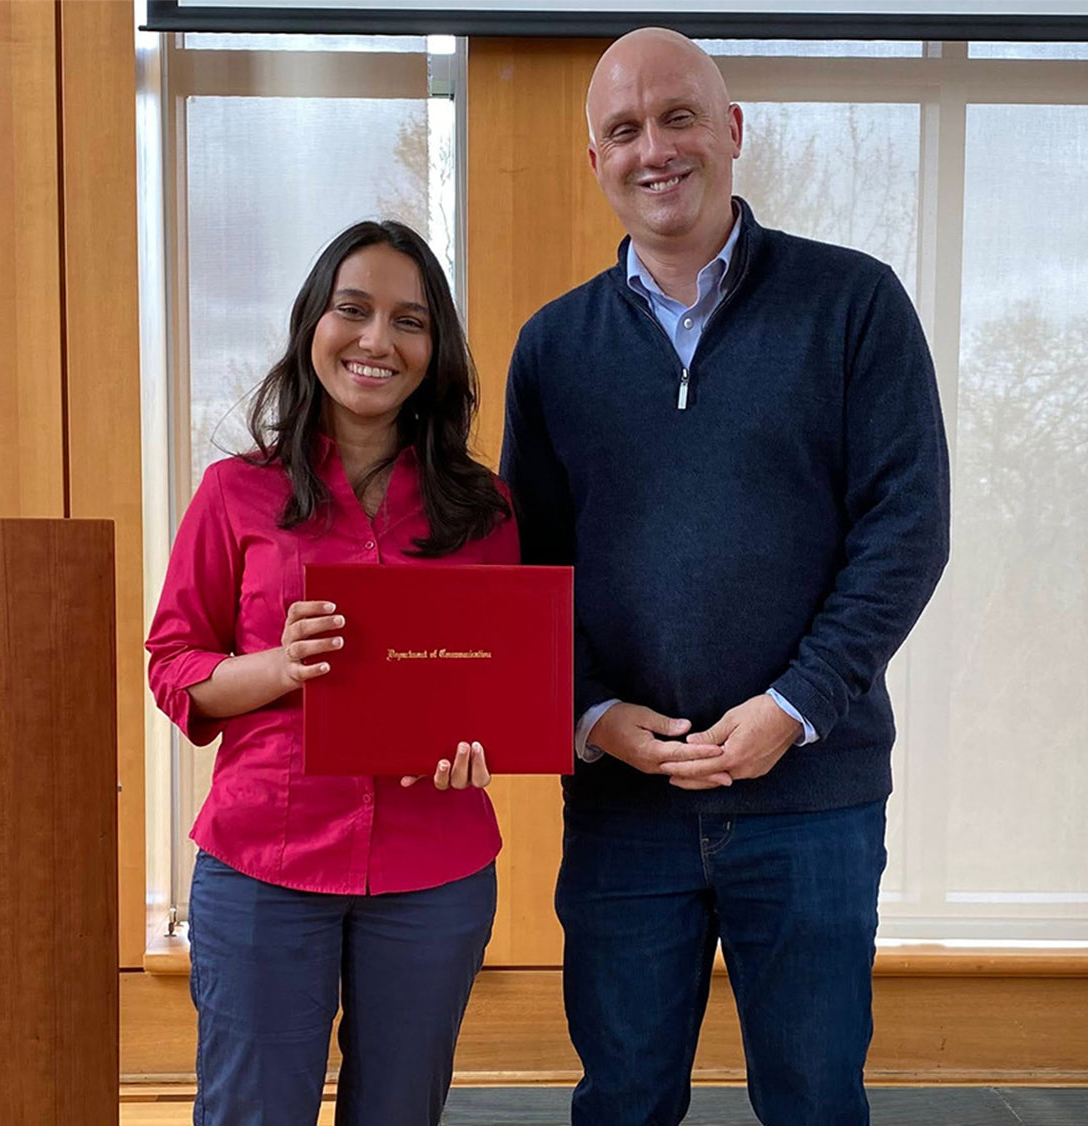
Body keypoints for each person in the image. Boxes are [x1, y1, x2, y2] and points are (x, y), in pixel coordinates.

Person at [498, 28, 951, 1126]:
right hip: (623, 806)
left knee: (811, 1100)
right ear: (594, 161)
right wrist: (592, 714)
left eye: (678, 116)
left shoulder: (854, 306)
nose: (653, 147)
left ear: (732, 129)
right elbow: (527, 568)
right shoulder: (551, 349)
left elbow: (906, 530)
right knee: (622, 1100)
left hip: (810, 800)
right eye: (622, 130)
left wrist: (793, 707)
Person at [146, 220, 517, 1126]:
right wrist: (278, 666)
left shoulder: (485, 508)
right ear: (314, 323)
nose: (377, 341)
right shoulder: (235, 492)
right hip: (264, 860)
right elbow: (174, 668)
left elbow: (500, 684)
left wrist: (486, 743)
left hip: (434, 868)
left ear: (436, 352)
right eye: (353, 310)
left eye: (410, 321)